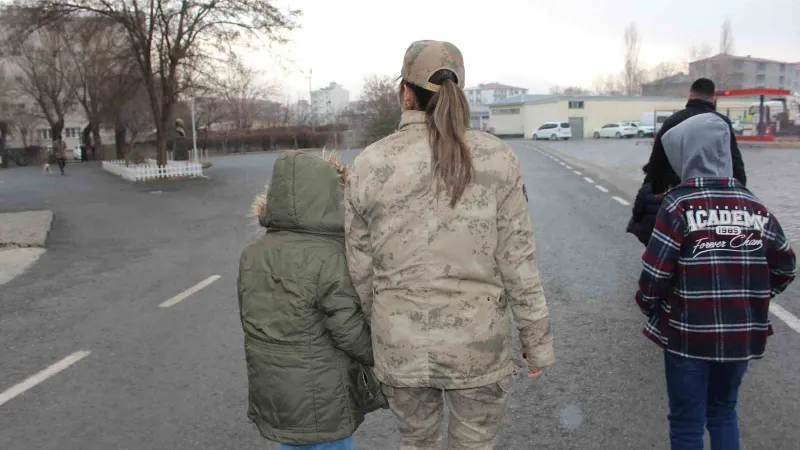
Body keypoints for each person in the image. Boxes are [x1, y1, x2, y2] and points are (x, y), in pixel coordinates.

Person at [345, 40, 554, 449]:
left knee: (415, 440)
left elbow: (360, 269)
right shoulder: (496, 158)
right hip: (478, 344)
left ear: (405, 92)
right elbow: (518, 261)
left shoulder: (371, 163)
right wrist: (536, 342)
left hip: (400, 341)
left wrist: (382, 326)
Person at [634, 112, 796, 450]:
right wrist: (754, 297)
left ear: (687, 154)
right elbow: (785, 264)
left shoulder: (678, 205)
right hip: (742, 335)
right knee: (723, 412)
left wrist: (651, 306)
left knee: (686, 421)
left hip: (688, 334)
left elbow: (654, 275)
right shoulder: (755, 207)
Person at [238, 152, 385, 450]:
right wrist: (381, 356)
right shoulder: (329, 256)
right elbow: (347, 329)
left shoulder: (253, 253)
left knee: (293, 444)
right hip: (321, 391)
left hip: (273, 386)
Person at [627, 78, 747, 245]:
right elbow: (735, 162)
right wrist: (739, 194)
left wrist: (651, 192)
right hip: (714, 202)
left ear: (689, 96)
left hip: (675, 196)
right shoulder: (721, 123)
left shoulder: (673, 121)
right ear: (713, 99)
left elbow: (656, 162)